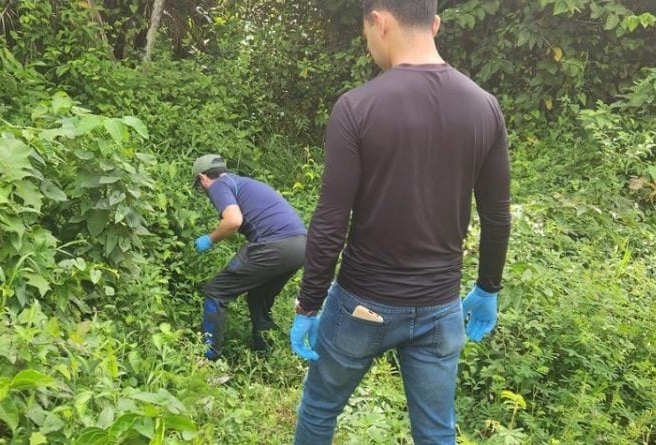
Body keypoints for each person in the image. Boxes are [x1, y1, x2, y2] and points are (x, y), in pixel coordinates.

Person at [288, 0, 511, 443]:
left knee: (318, 411)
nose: (370, 44)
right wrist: (488, 287)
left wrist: (308, 304)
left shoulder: (357, 107)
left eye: (367, 33)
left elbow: (331, 219)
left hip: (361, 304)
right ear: (435, 24)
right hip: (440, 305)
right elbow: (497, 214)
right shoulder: (485, 107)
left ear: (380, 21)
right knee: (436, 431)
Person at [192, 154, 307, 360]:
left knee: (215, 292)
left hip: (274, 246)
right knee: (258, 297)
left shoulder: (218, 185)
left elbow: (234, 220)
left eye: (199, 185)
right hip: (300, 246)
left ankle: (207, 358)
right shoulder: (241, 182)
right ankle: (267, 354)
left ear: (203, 178)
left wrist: (209, 240)